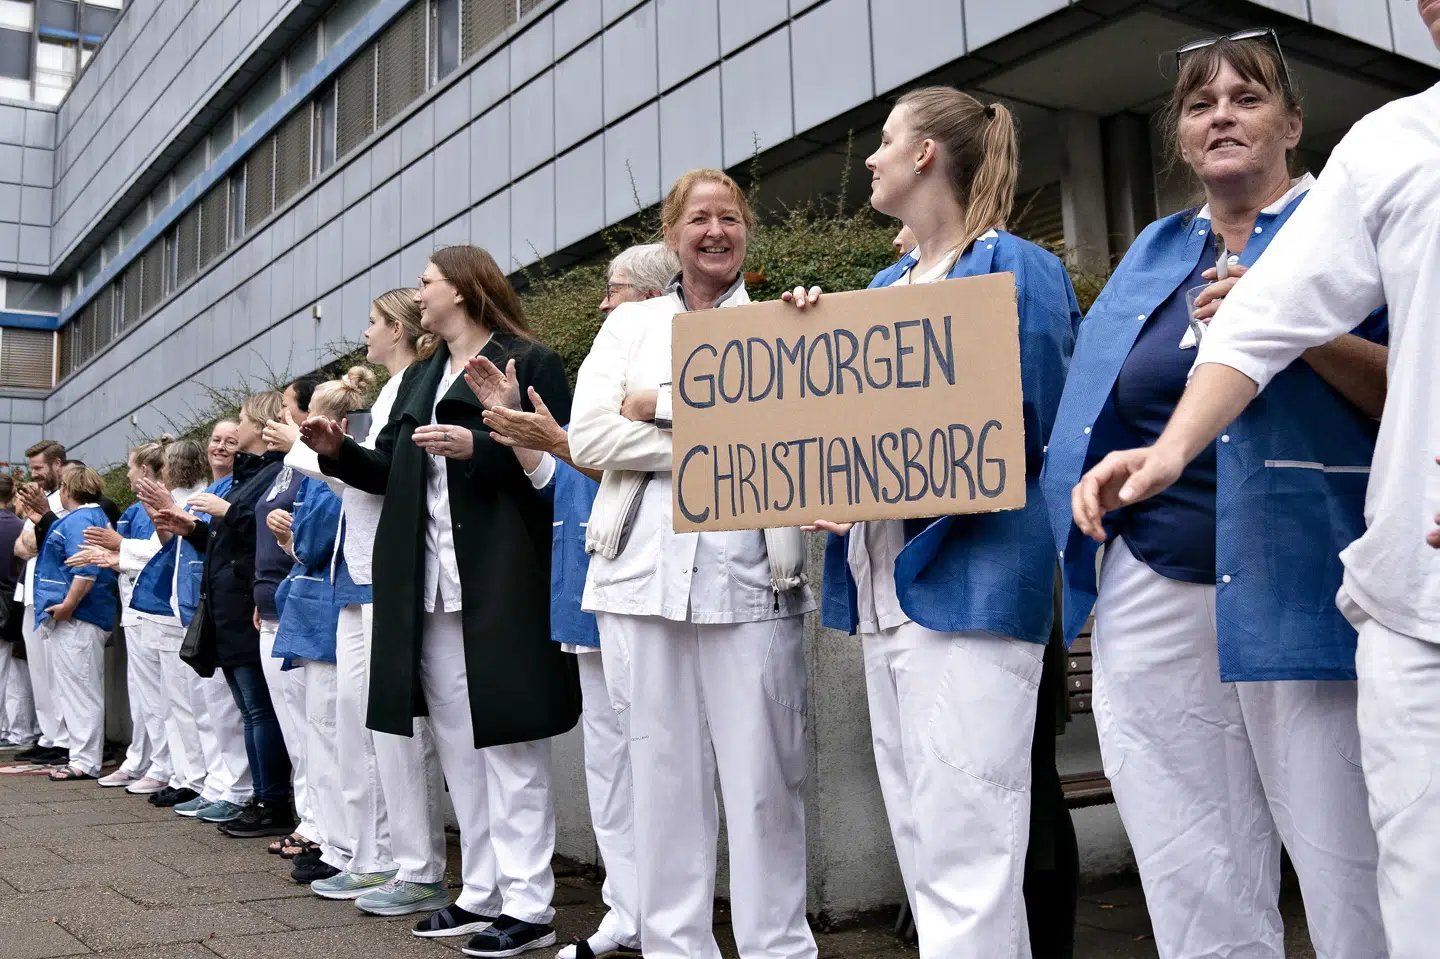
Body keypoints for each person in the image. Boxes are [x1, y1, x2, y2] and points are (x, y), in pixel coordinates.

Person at [1070, 6, 1440, 955]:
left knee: (1345, 846)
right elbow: (1096, 401)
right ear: (1182, 135)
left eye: (1248, 96)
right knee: (1186, 843)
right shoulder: (1154, 253)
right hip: (1157, 575)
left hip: (1302, 570)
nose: (1222, 114)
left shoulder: (1353, 205)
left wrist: (1300, 330)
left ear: (1291, 124)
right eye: (1201, 103)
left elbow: (1418, 385)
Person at [783, 88, 1079, 957]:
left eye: (883, 142)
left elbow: (1038, 427)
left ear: (924, 157)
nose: (870, 160)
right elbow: (849, 429)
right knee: (922, 837)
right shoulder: (879, 286)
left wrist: (910, 472)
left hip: (975, 583)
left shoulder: (1018, 269)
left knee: (970, 845)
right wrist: (809, 335)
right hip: (885, 590)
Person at [567, 171, 817, 959]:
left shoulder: (784, 322)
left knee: (765, 783)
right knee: (662, 782)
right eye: (700, 218)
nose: (716, 230)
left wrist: (658, 403)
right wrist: (715, 430)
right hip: (639, 580)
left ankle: (779, 948)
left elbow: (798, 432)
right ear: (673, 234)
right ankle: (678, 949)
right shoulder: (628, 328)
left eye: (731, 217)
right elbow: (589, 438)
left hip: (753, 579)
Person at [303, 245, 579, 958]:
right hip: (432, 587)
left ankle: (530, 903)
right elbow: (387, 470)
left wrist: (476, 447)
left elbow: (559, 463)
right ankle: (484, 890)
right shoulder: (424, 374)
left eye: (426, 283)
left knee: (512, 742)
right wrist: (336, 449)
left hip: (502, 578)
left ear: (460, 288)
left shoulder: (530, 359)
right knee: (460, 748)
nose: (417, 295)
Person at [475, 241, 678, 959]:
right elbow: (560, 485)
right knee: (609, 769)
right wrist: (519, 432)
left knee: (655, 763)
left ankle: (662, 918)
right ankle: (626, 909)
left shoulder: (670, 362)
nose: (602, 303)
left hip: (640, 591)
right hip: (585, 597)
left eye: (614, 289)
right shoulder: (608, 370)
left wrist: (556, 437)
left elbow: (632, 461)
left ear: (653, 294)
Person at [295, 293, 447, 906]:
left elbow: (385, 478)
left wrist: (316, 455)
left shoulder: (412, 385)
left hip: (387, 574)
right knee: (364, 724)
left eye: (373, 323)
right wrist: (326, 456)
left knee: (395, 726)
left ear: (400, 331)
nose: (363, 333)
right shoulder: (390, 391)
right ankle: (375, 854)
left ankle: (412, 864)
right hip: (360, 573)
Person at [154, 394, 295, 837]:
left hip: (245, 603)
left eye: (241, 419)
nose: (235, 428)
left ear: (259, 424)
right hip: (231, 604)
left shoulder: (271, 472)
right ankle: (261, 797)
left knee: (257, 709)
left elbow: (262, 532)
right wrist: (195, 530)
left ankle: (270, 800)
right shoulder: (250, 474)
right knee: (248, 707)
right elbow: (234, 538)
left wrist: (227, 513)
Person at [128, 439, 241, 816]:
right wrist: (161, 512)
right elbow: (171, 545)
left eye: (230, 440)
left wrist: (167, 511)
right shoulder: (204, 493)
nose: (220, 448)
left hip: (200, 607)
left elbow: (202, 547)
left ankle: (206, 780)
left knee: (207, 708)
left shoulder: (208, 496)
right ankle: (197, 779)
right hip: (182, 605)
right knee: (188, 704)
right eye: (216, 441)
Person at [93, 440, 175, 795]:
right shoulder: (136, 508)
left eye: (130, 467)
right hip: (135, 609)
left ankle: (161, 766)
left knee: (158, 695)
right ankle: (140, 759)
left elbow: (163, 552)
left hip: (154, 610)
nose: (126, 474)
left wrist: (118, 551)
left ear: (145, 470)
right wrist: (114, 553)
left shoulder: (160, 504)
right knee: (141, 694)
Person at [33, 465, 118, 782]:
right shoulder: (89, 516)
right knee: (78, 687)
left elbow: (86, 569)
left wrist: (68, 606)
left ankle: (84, 760)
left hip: (80, 617)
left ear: (67, 489)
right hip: (81, 616)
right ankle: (82, 757)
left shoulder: (81, 518)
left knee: (80, 689)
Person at [12, 440, 69, 767]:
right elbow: (22, 548)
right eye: (31, 469)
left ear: (57, 465)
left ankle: (64, 738)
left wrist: (35, 531)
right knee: (39, 672)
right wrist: (33, 534)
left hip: (52, 595)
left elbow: (35, 541)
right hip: (31, 593)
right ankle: (49, 736)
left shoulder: (62, 503)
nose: (34, 475)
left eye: (38, 468)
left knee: (55, 671)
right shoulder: (42, 502)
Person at [0, 473, 37, 750]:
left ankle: (13, 731)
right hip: (15, 603)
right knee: (16, 673)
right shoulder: (21, 526)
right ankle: (20, 730)